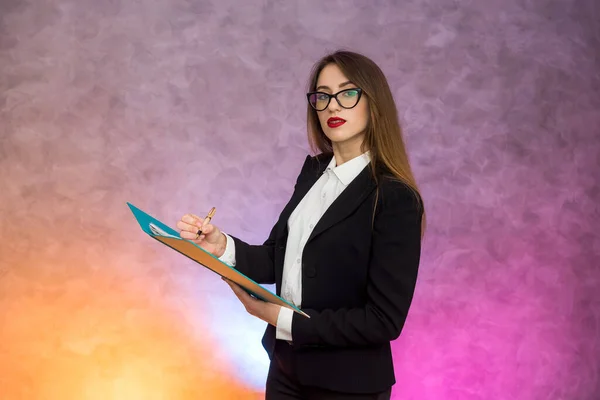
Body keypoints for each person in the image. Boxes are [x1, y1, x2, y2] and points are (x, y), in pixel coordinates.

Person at [176, 50, 425, 400]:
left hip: (348, 386)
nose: (333, 106)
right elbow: (280, 258)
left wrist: (282, 318)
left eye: (348, 93)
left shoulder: (395, 198)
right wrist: (221, 246)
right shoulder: (313, 172)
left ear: (374, 102)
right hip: (285, 370)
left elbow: (382, 320)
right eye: (322, 96)